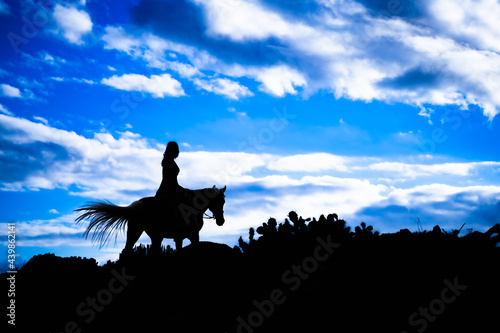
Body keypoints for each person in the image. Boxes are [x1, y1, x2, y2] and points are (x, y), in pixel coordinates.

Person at [156, 141, 185, 207]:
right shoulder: (168, 161)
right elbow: (168, 178)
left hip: (172, 187)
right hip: (169, 189)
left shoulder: (169, 160)